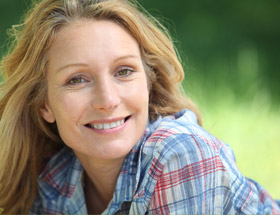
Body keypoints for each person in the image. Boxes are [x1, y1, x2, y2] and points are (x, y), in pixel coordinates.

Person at [0, 0, 279, 214]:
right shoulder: (54, 180)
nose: (107, 100)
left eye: (123, 71)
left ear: (148, 82)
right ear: (43, 104)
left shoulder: (180, 154)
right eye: (77, 79)